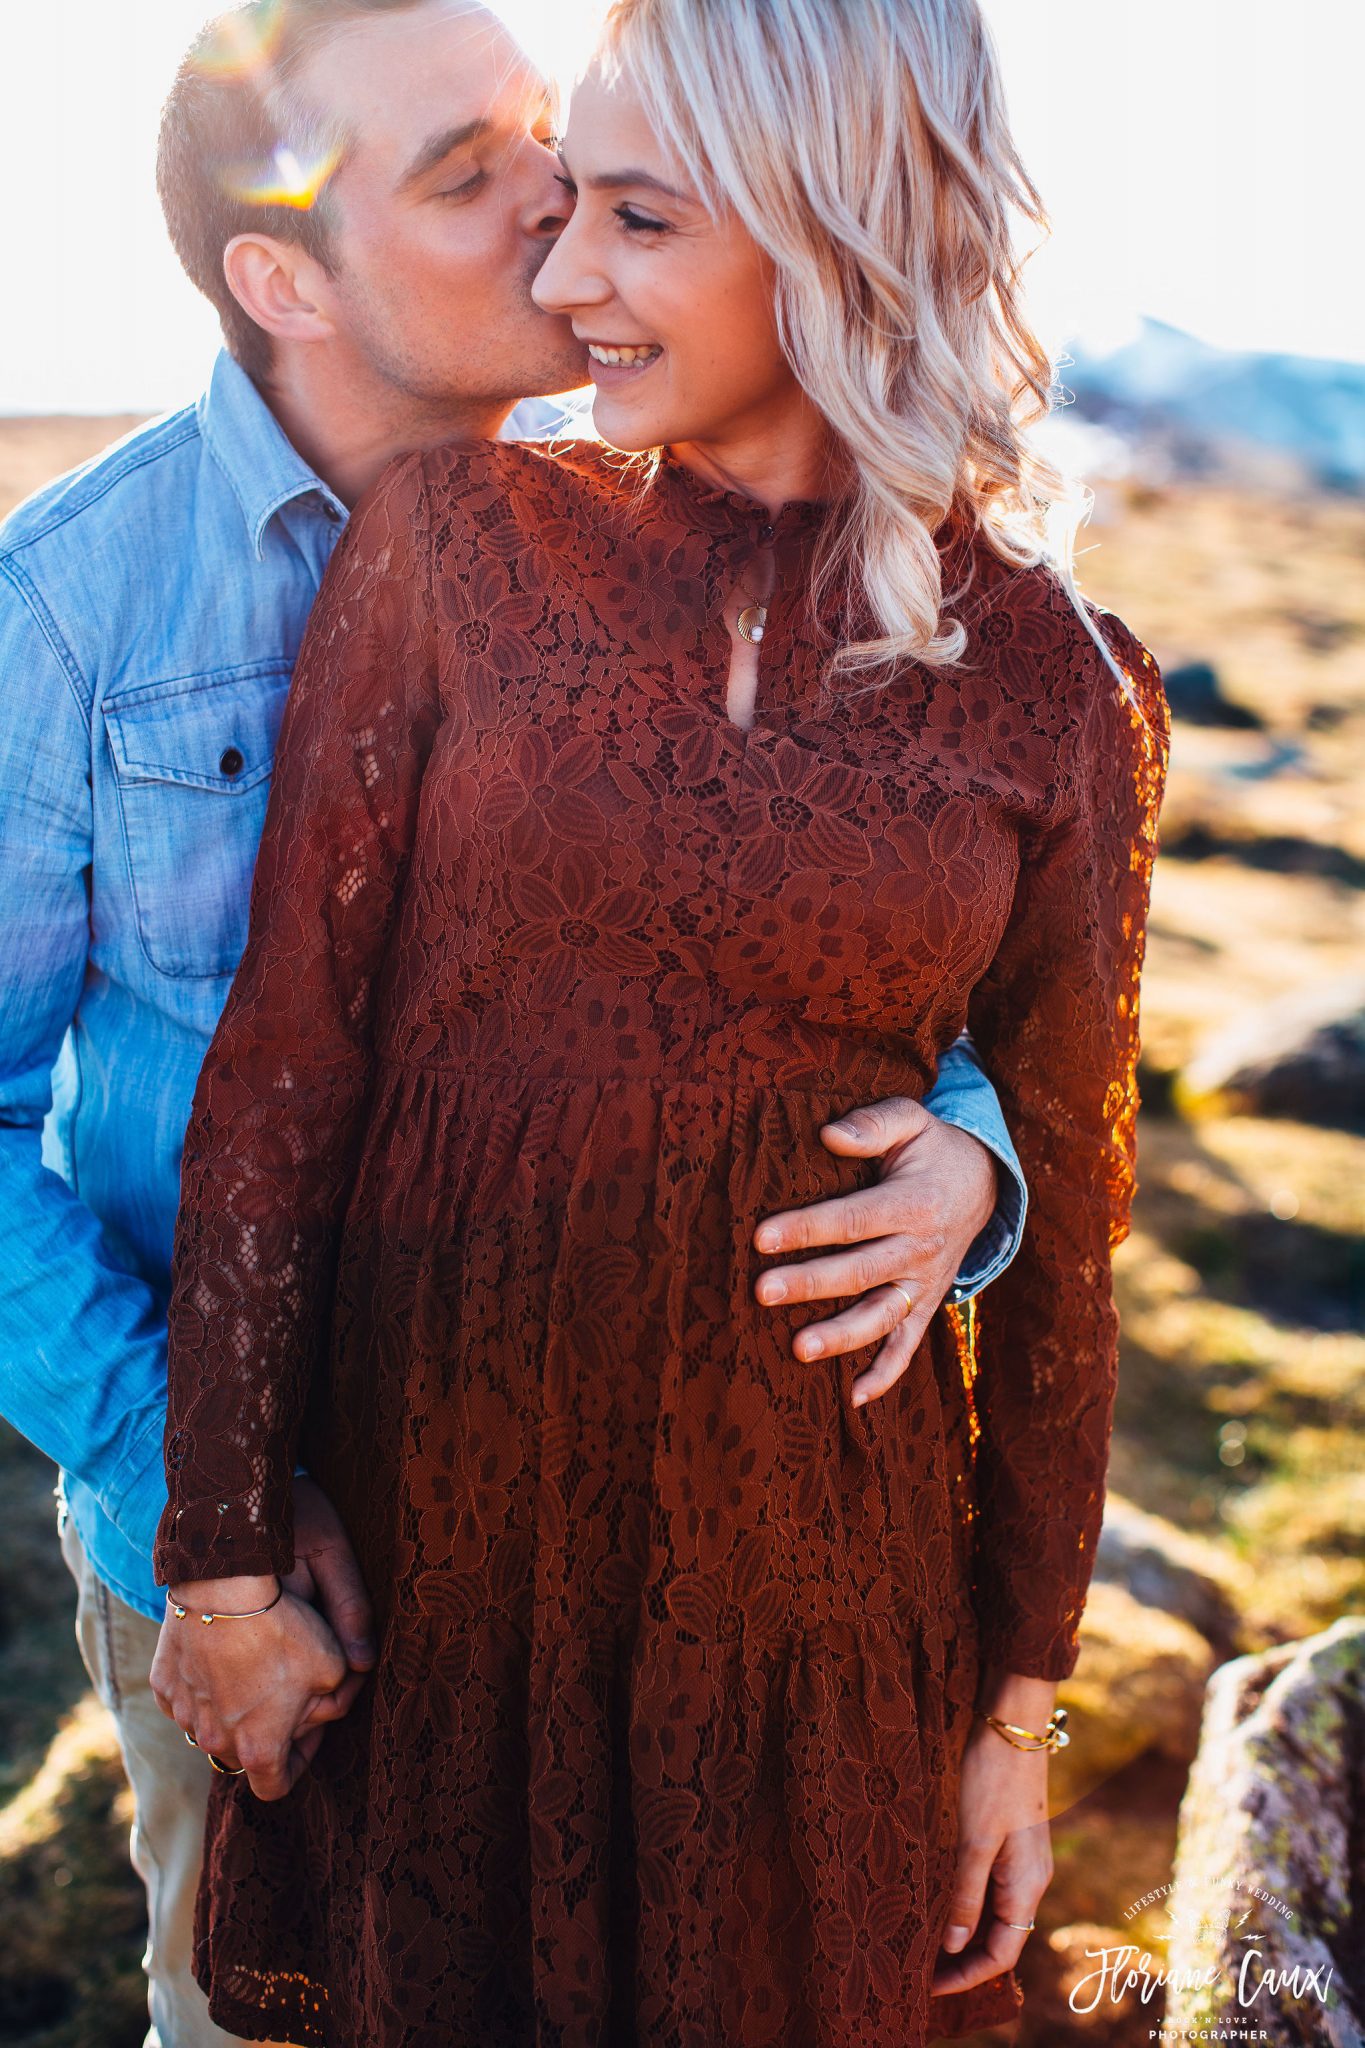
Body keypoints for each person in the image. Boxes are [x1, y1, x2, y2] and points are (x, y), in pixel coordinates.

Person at [0, 4, 1027, 2044]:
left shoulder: (686, 516)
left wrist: (967, 1143)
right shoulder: (70, 610)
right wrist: (186, 1504)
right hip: (268, 1561)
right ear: (282, 277)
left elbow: (897, 937)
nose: (563, 200)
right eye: (467, 173)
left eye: (543, 136)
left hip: (633, 1525)